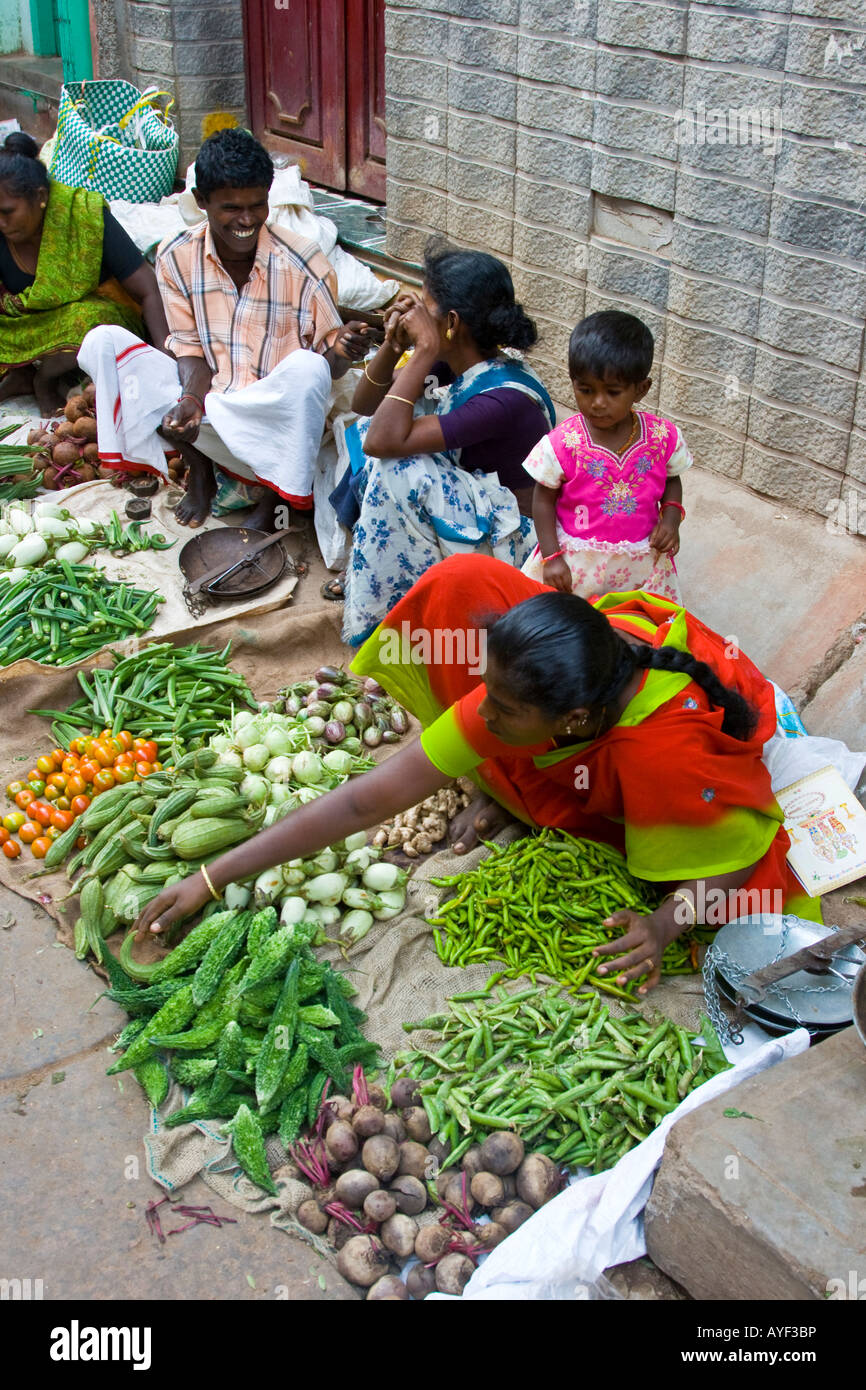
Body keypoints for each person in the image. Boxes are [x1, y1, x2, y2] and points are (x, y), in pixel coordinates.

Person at [135, 554, 817, 995]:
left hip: (710, 722)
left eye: (504, 707)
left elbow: (733, 861)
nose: (479, 712)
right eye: (484, 686)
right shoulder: (527, 693)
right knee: (459, 584)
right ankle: (523, 786)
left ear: (574, 723)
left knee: (701, 883)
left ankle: (533, 795)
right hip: (602, 689)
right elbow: (362, 802)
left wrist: (666, 925)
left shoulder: (661, 754)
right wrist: (210, 875)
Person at [78, 128, 369, 530]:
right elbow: (189, 352)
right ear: (201, 201)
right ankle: (200, 472)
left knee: (308, 366)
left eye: (257, 205)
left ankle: (272, 503)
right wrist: (193, 403)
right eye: (231, 208)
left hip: (275, 428)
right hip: (211, 412)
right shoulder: (176, 256)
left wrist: (343, 350)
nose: (247, 220)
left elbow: (328, 371)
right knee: (103, 342)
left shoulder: (304, 262)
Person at [328, 240, 556, 646]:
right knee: (381, 431)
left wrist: (425, 347)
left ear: (451, 322)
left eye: (425, 306)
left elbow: (383, 443)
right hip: (472, 503)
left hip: (511, 537)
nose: (415, 311)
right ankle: (385, 576)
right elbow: (367, 408)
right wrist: (396, 346)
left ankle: (394, 617)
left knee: (398, 466)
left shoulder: (504, 399)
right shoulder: (454, 360)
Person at [522, 309, 692, 602]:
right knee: (570, 629)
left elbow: (671, 480)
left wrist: (671, 519)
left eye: (612, 392)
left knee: (634, 629)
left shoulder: (662, 439)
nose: (598, 403)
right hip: (575, 565)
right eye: (585, 390)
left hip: (640, 564)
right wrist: (551, 557)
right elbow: (542, 499)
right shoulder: (563, 443)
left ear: (641, 389)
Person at [0, 132, 168, 415]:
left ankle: (45, 379)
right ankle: (20, 375)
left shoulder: (82, 214)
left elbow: (147, 287)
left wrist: (166, 358)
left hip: (96, 319)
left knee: (88, 324)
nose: (1, 223)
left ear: (40, 197)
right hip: (30, 325)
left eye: (8, 212)